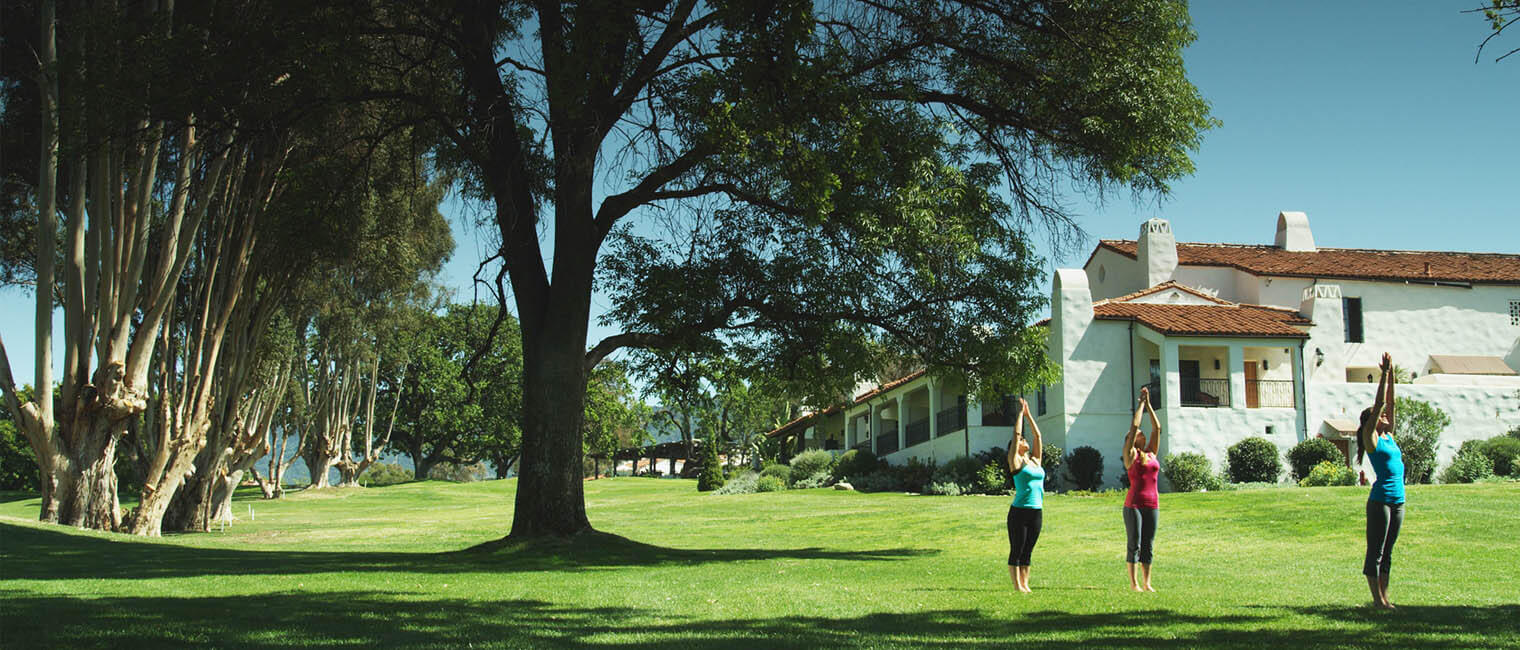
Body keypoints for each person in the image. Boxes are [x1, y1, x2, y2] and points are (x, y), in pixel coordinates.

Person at [1358, 352, 1403, 610]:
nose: (1385, 416)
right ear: (1371, 421)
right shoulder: (1371, 438)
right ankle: (1377, 601)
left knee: (1388, 551)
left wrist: (1393, 374)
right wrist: (1383, 375)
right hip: (1380, 502)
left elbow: (1391, 403)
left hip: (1398, 500)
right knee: (1375, 551)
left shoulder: (1388, 436)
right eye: (1379, 415)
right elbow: (1381, 404)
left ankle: (1384, 598)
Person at [1121, 386, 1162, 592]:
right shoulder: (1131, 455)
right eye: (1137, 433)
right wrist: (1140, 405)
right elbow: (1135, 424)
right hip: (1134, 505)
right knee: (1134, 543)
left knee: (1149, 544)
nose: (1141, 432)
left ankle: (1147, 583)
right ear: (1131, 437)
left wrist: (1150, 405)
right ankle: (1134, 583)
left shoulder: (1152, 453)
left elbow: (1157, 428)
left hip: (1152, 504)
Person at [1005, 397, 1044, 592]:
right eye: (1022, 440)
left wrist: (1029, 416)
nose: (1024, 440)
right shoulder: (1016, 462)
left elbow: (1038, 437)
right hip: (1019, 512)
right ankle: (1017, 585)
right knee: (1017, 549)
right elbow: (1016, 433)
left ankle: (1026, 583)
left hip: (1036, 511)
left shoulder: (1035, 461)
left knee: (1028, 550)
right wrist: (1020, 413)